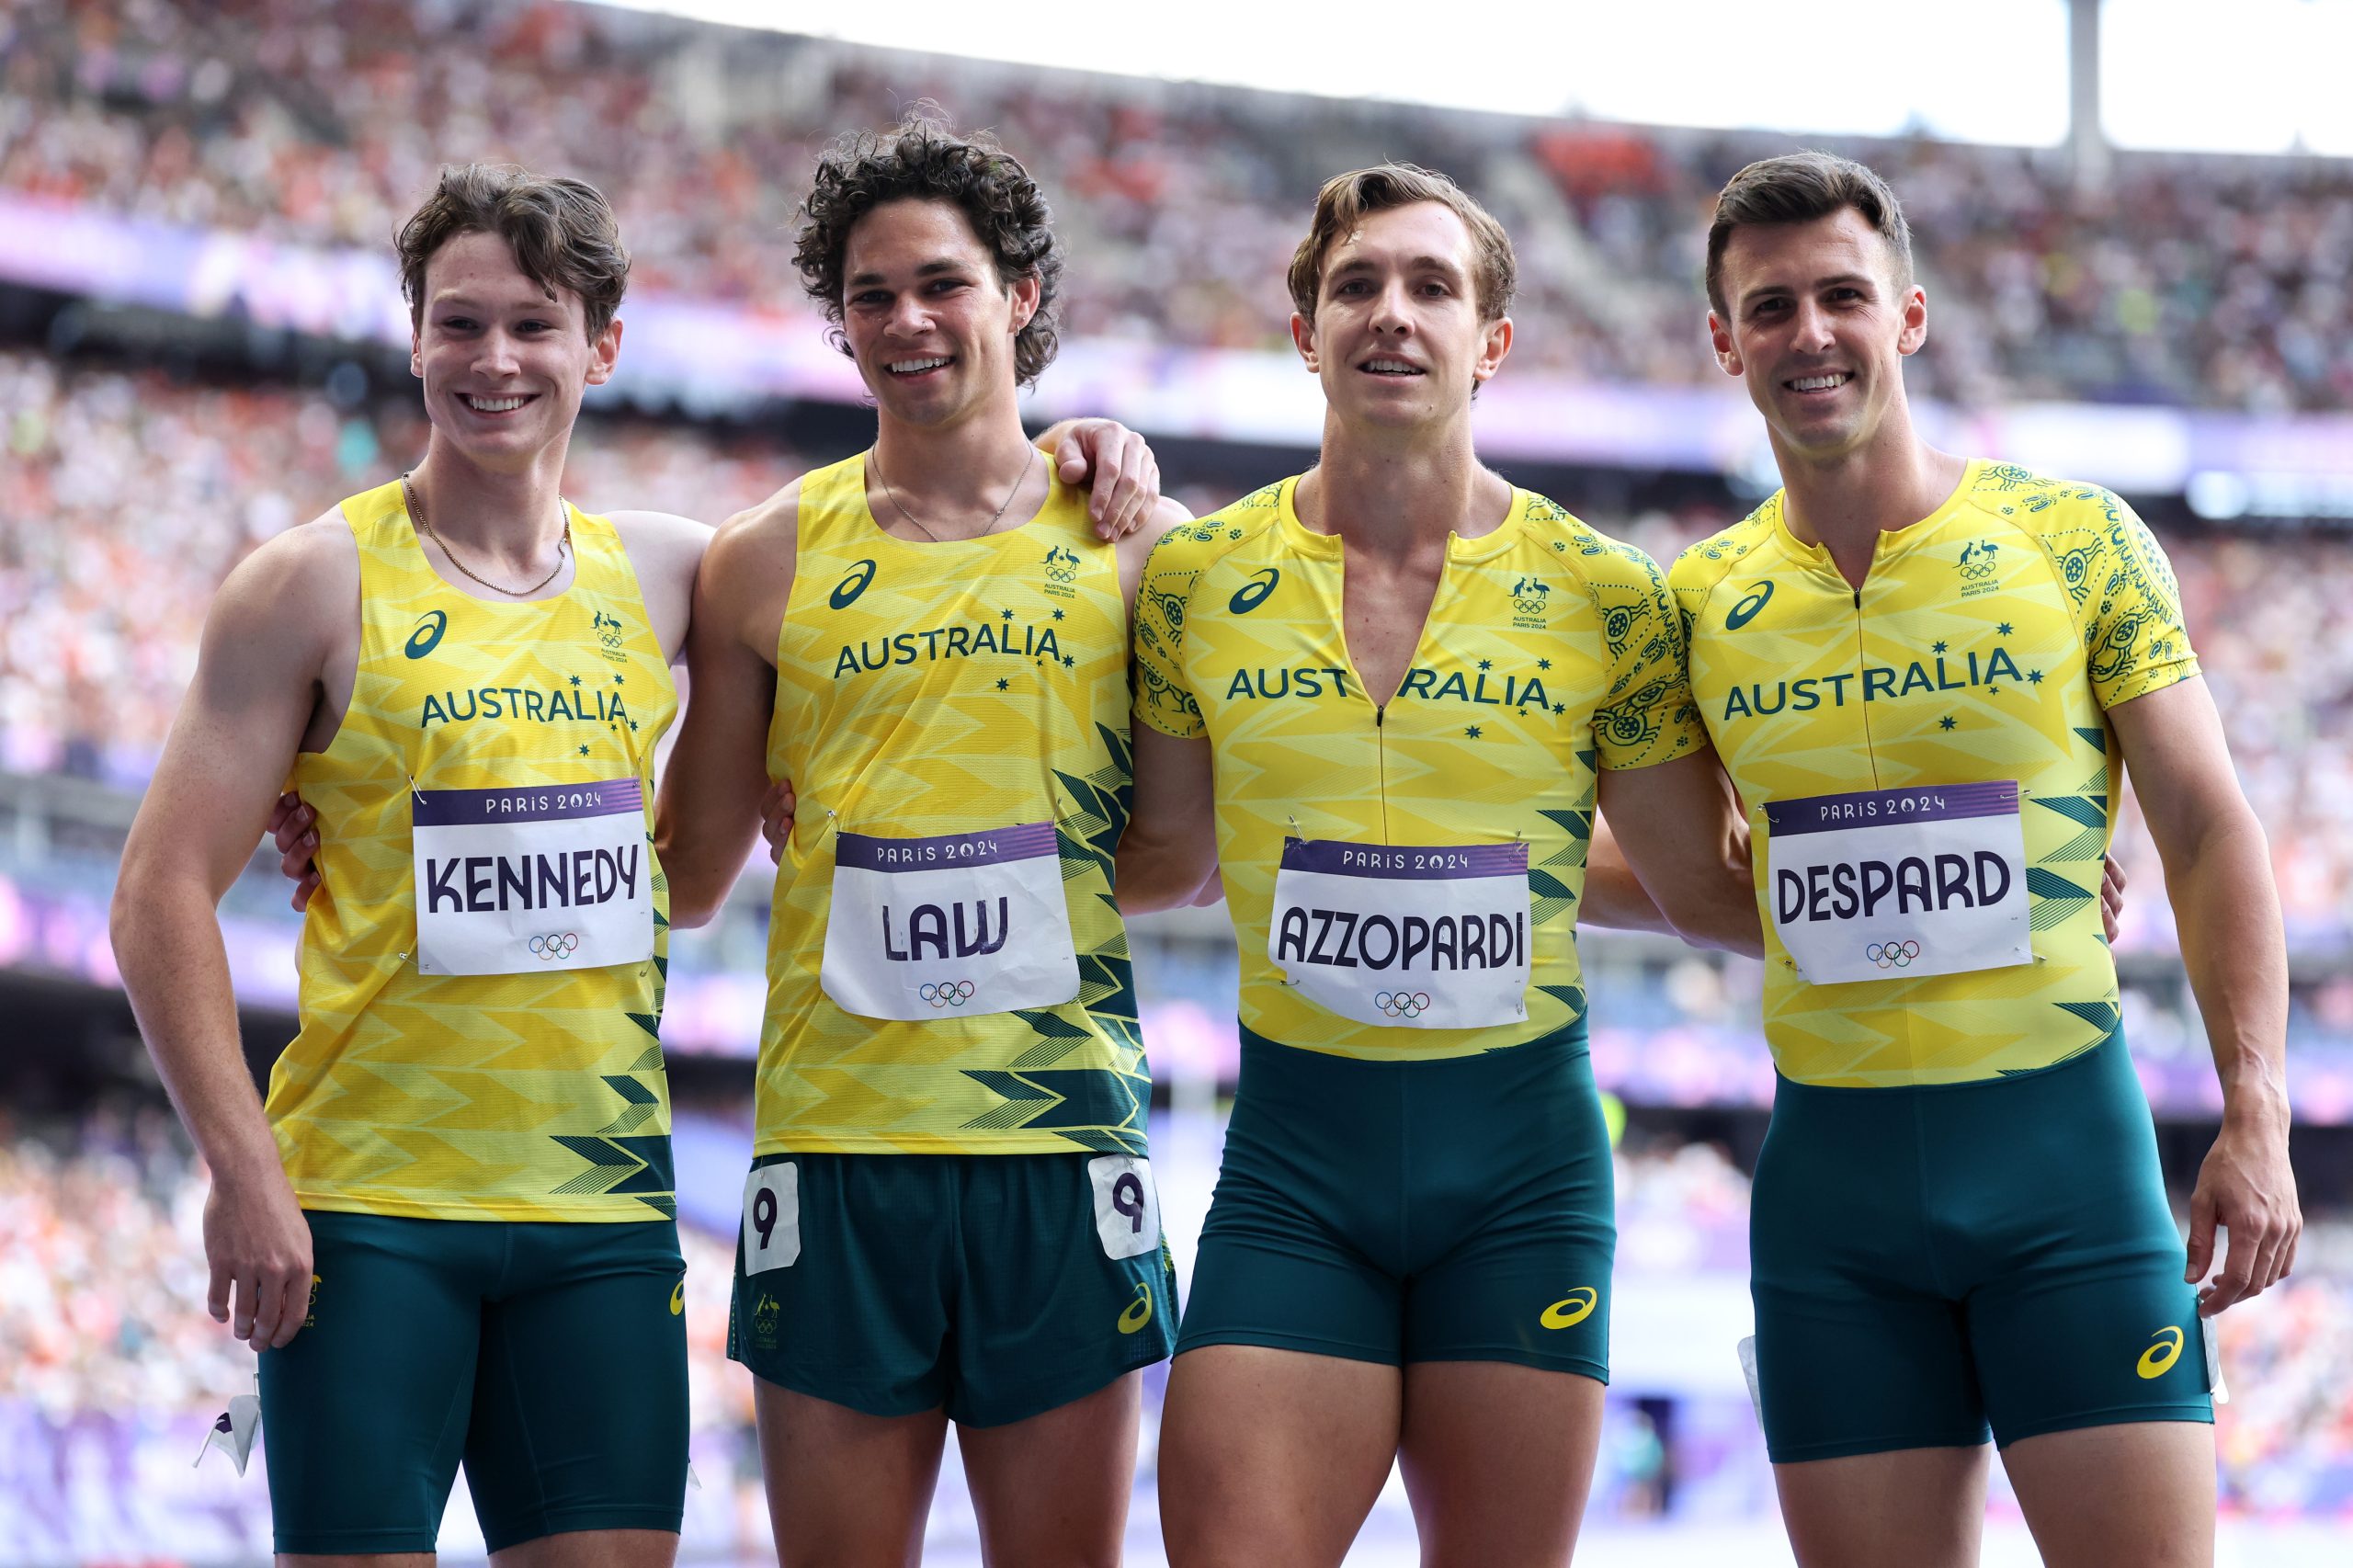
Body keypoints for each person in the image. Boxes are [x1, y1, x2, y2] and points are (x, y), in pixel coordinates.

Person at [1114, 164, 1756, 1568]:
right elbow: (1162, 855)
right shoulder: (1197, 580)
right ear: (1306, 330)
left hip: (1521, 1185)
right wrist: (881, 839)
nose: (1391, 314)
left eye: (1431, 286)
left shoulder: (1606, 596)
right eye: (1357, 284)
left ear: (1492, 340)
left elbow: (1694, 886)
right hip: (1294, 1179)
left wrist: (2004, 881)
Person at [1670, 151, 2301, 1568]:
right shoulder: (1696, 604)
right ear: (1724, 341)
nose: (1809, 333)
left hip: (2067, 1176)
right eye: (1770, 308)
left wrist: (2253, 1112)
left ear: (1911, 315)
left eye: (1843, 295)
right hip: (1831, 1213)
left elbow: (2205, 826)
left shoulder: (2075, 539)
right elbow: (1672, 863)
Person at [111, 163, 709, 1565]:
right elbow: (155, 893)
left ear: (603, 345)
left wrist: (1094, 450)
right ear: (415, 336)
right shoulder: (311, 582)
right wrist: (242, 1168)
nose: (492, 361)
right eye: (458, 323)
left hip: (601, 1218)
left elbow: (920, 528)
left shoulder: (678, 575)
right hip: (369, 1218)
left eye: (534, 326)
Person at [652, 116, 1190, 1567]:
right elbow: (688, 873)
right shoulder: (763, 554)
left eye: (940, 283)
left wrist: (1008, 866)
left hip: (1058, 1142)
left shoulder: (1137, 538)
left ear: (1018, 295)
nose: (907, 320)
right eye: (870, 294)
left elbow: (1181, 858)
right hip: (837, 1151)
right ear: (836, 323)